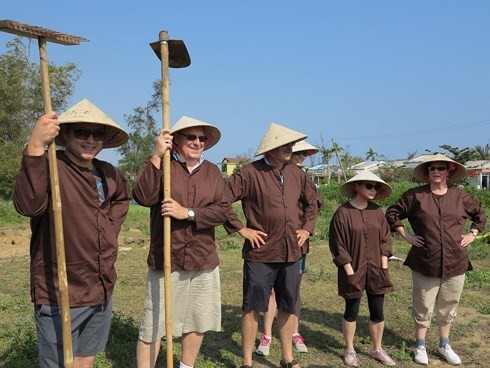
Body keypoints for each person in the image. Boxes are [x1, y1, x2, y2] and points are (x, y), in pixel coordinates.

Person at [12, 99, 130, 368]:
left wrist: (109, 226)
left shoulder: (108, 173)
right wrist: (35, 146)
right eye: (81, 132)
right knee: (57, 364)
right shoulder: (51, 166)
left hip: (101, 285)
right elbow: (28, 205)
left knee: (85, 358)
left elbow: (122, 199)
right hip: (62, 287)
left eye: (97, 133)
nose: (91, 140)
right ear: (64, 134)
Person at [133, 116, 232, 368]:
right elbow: (143, 196)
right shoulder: (163, 165)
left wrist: (187, 213)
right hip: (168, 258)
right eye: (191, 137)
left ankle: (186, 366)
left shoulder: (212, 171)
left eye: (202, 138)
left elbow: (222, 211)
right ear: (175, 140)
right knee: (153, 325)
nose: (198, 142)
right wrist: (156, 156)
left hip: (203, 258)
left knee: (197, 320)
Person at [221, 123, 319, 368]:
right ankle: (247, 362)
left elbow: (313, 203)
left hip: (291, 252)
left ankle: (287, 358)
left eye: (291, 145)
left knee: (287, 305)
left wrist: (307, 228)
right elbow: (221, 200)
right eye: (284, 145)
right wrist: (241, 228)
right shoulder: (249, 173)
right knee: (252, 307)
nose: (290, 149)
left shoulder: (297, 173)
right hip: (260, 253)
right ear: (271, 149)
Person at [385, 153, 487, 366]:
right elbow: (392, 213)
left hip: (455, 261)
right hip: (425, 260)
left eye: (441, 168)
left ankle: (444, 344)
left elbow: (480, 214)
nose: (437, 171)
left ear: (449, 171)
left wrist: (473, 234)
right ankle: (420, 344)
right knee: (423, 305)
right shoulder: (415, 196)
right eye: (432, 168)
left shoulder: (460, 197)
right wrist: (406, 235)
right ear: (427, 172)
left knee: (449, 304)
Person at [256, 140, 323, 356]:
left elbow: (316, 203)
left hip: (297, 243)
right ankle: (267, 334)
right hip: (272, 242)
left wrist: (305, 228)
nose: (300, 156)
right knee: (271, 290)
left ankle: (295, 332)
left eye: (304, 153)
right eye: (297, 151)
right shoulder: (270, 174)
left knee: (292, 289)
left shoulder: (302, 178)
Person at [328, 170, 396, 367]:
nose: (373, 190)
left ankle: (377, 349)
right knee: (352, 311)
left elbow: (385, 239)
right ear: (357, 186)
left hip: (377, 269)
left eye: (376, 187)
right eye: (369, 185)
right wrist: (349, 270)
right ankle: (349, 349)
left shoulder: (377, 212)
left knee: (378, 311)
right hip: (353, 268)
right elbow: (337, 243)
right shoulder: (342, 212)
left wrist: (383, 266)